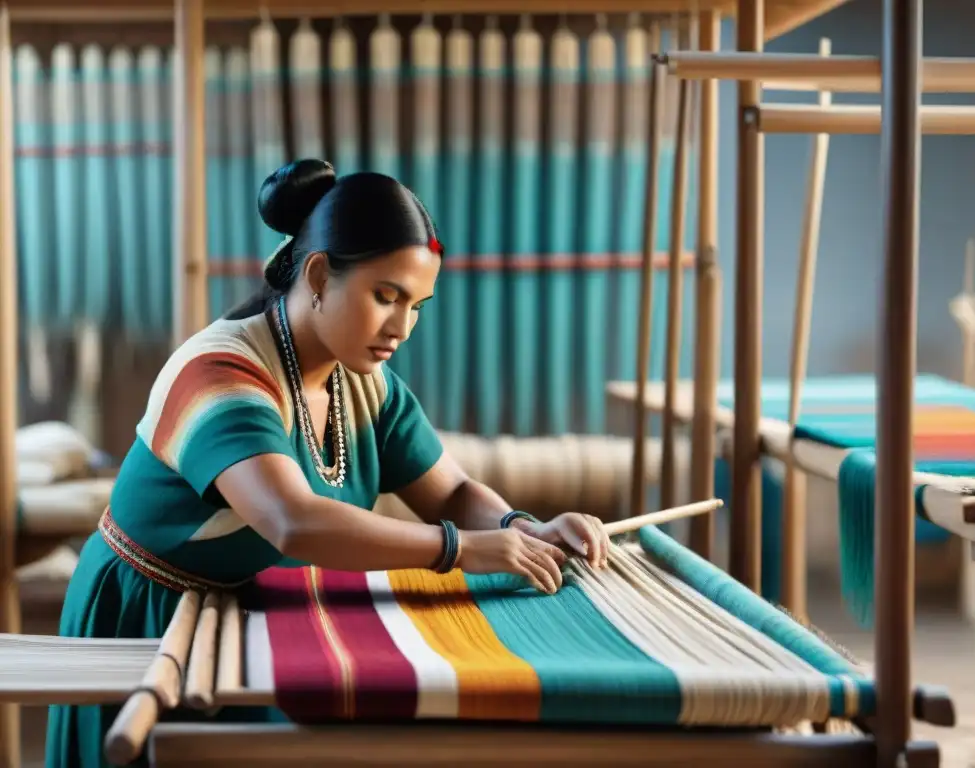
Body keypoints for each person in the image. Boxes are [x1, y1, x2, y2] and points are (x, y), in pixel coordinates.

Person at [46, 160, 611, 767]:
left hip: (247, 614)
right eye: (385, 296)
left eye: (418, 304)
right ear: (318, 274)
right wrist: (461, 550)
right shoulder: (220, 374)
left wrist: (518, 529)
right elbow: (293, 521)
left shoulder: (362, 383)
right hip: (150, 617)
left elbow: (450, 493)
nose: (402, 326)